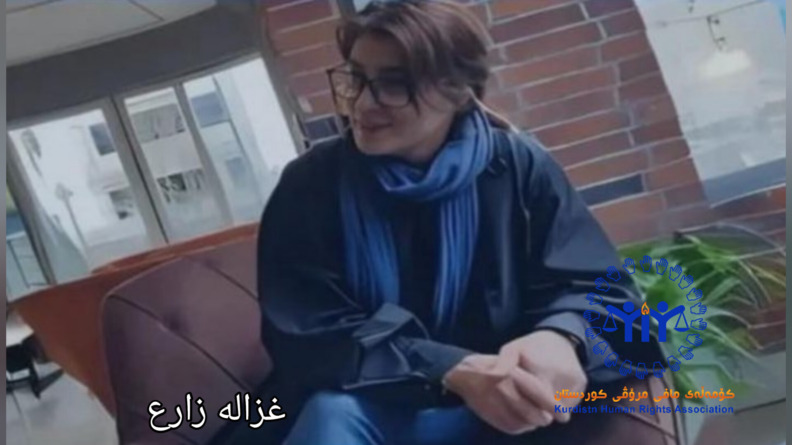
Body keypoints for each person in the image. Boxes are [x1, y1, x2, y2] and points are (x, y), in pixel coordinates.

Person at [252, 1, 675, 444]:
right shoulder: (311, 186)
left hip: (510, 412)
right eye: (355, 78)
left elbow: (602, 292)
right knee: (332, 414)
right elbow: (306, 333)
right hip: (371, 408)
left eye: (394, 84)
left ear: (457, 91)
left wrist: (562, 335)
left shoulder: (518, 168)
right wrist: (450, 368)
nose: (362, 102)